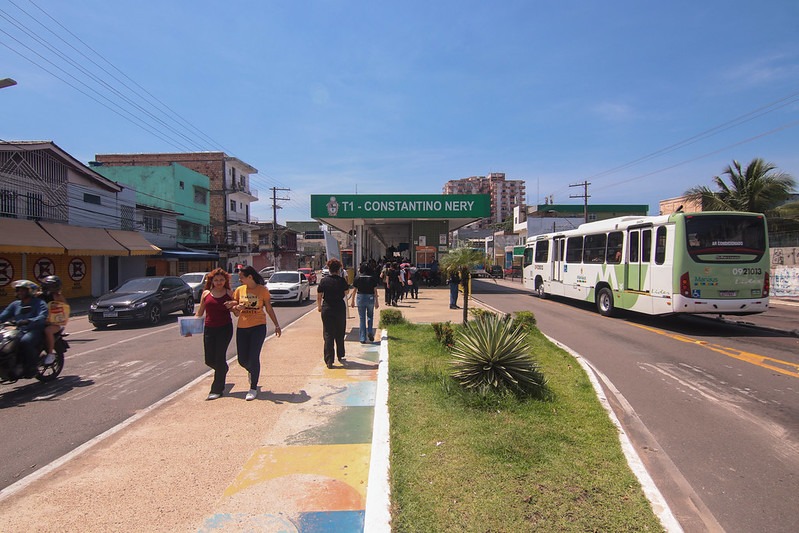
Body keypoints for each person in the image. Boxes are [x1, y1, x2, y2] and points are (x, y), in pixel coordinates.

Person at [225, 266, 281, 401]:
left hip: (258, 327)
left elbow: (269, 308)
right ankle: (252, 370)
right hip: (242, 327)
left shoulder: (262, 290)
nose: (240, 279)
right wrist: (235, 307)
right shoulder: (239, 290)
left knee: (254, 356)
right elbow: (235, 312)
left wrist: (276, 325)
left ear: (250, 277)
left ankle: (253, 387)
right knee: (242, 360)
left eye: (241, 277)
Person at [195, 268, 235, 400]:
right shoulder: (206, 293)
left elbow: (237, 312)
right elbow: (200, 312)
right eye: (216, 280)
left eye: (221, 280)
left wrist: (233, 305)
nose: (219, 282)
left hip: (225, 329)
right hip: (209, 329)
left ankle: (217, 389)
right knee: (209, 360)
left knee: (219, 357)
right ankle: (223, 369)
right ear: (211, 281)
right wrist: (189, 328)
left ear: (225, 281)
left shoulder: (229, 293)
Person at [0, 280, 48, 378]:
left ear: (30, 291)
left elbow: (43, 315)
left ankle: (32, 367)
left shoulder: (39, 303)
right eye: (18, 290)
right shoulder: (15, 304)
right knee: (5, 342)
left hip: (35, 330)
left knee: (25, 342)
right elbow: (4, 315)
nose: (19, 292)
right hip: (19, 330)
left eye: (23, 290)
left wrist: (29, 320)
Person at [317, 258, 350, 368]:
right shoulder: (341, 281)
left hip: (327, 307)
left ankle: (329, 359)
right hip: (339, 307)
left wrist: (319, 306)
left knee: (328, 333)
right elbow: (346, 292)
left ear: (329, 268)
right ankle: (340, 354)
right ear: (339, 269)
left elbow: (319, 295)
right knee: (340, 332)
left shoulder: (324, 281)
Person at [40, 275, 69, 365]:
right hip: (38, 321)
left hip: (53, 324)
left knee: (48, 331)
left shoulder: (58, 297)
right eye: (47, 286)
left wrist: (52, 318)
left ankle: (50, 354)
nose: (49, 289)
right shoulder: (38, 296)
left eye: (52, 287)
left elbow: (64, 310)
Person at [350, 262, 379, 344]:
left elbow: (354, 290)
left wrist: (352, 301)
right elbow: (375, 290)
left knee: (362, 318)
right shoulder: (372, 277)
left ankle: (362, 338)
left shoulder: (358, 277)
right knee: (370, 316)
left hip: (361, 297)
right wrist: (376, 301)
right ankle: (370, 331)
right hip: (370, 297)